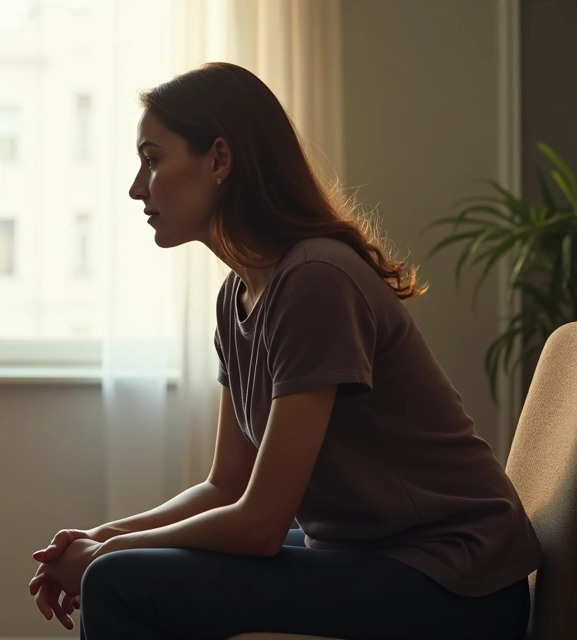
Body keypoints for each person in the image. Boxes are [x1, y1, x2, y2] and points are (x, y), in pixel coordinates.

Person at [28, 62, 541, 640]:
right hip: (373, 554)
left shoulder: (315, 278)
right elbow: (227, 487)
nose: (136, 186)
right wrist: (99, 537)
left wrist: (106, 554)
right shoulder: (238, 295)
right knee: (120, 567)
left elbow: (260, 525)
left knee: (119, 579)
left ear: (219, 159)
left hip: (453, 581)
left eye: (152, 158)